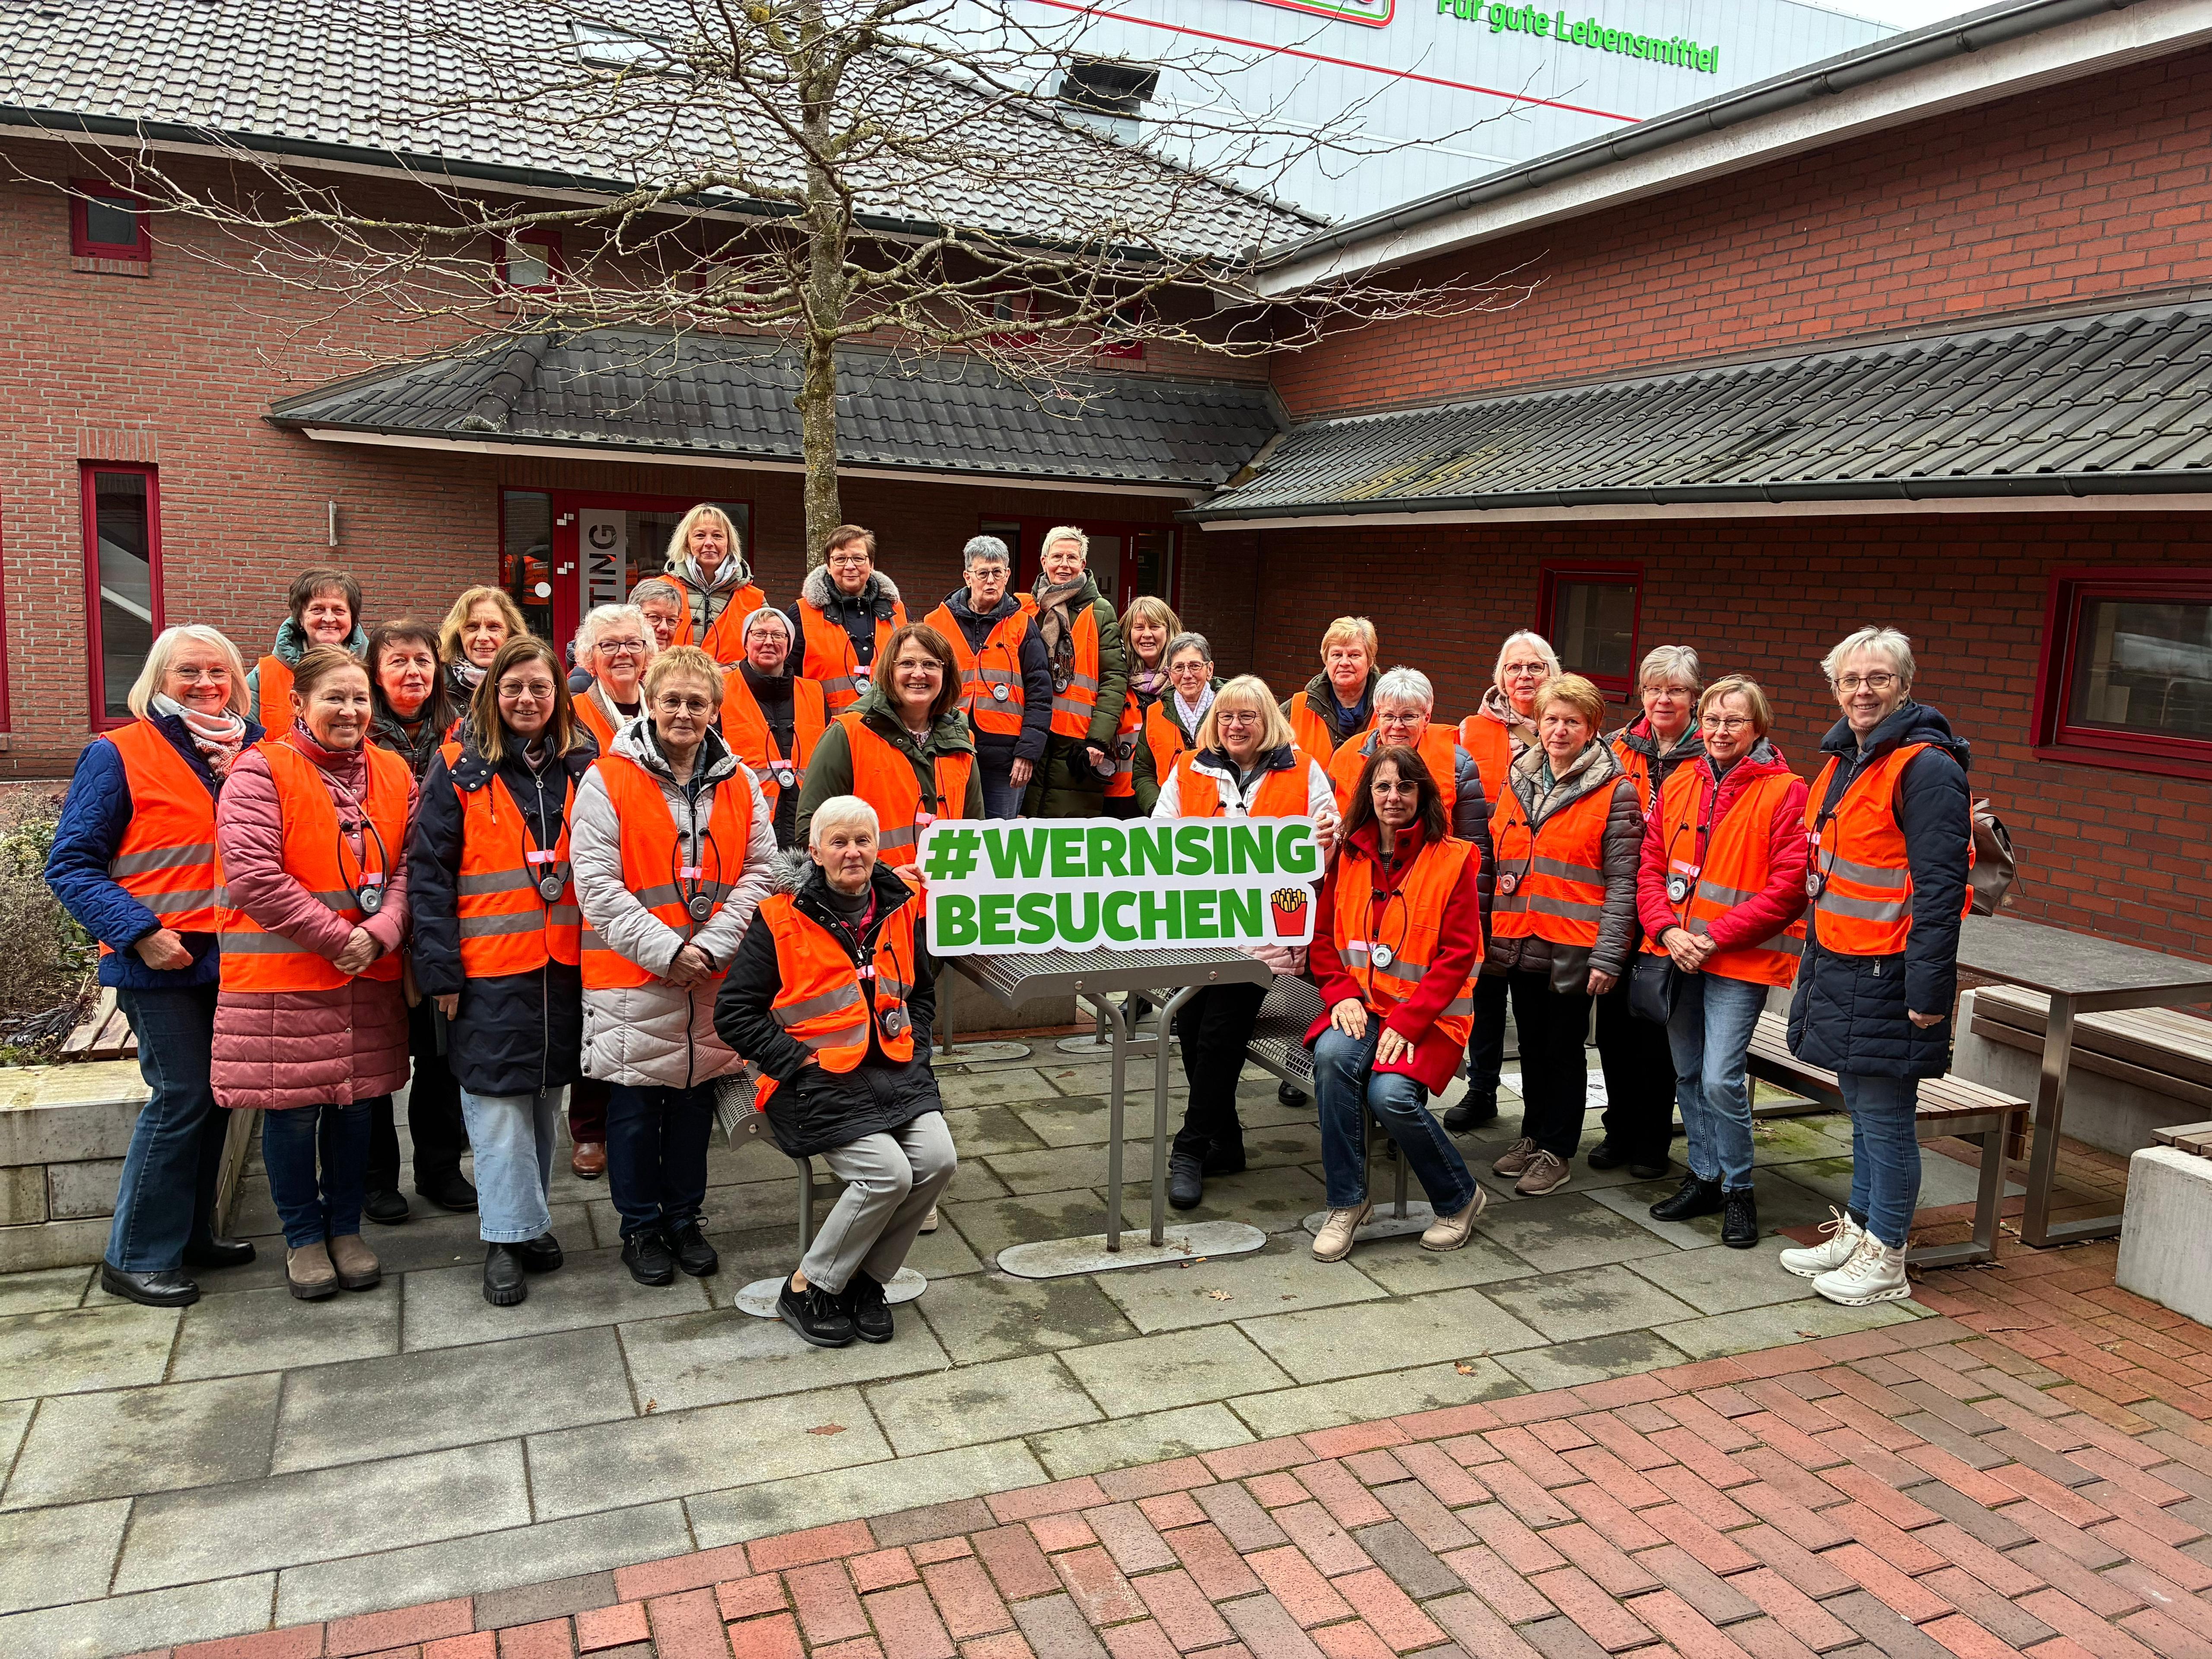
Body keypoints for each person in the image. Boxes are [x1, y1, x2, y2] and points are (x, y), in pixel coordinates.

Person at [47, 626, 262, 1307]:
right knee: (183, 1096)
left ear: (237, 682)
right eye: (188, 672)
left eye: (218, 672)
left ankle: (191, 1236)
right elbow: (72, 865)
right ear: (158, 679)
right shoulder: (119, 752)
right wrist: (139, 933)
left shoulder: (255, 750)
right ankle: (135, 1255)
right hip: (158, 961)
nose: (205, 684)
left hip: (238, 958)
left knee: (219, 1096)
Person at [213, 645, 416, 1300]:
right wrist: (339, 939)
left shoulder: (393, 771)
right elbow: (254, 876)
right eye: (335, 697)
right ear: (299, 703)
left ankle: (346, 1228)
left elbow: (413, 866)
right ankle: (303, 1237)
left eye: (360, 698)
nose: (350, 710)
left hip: (367, 976)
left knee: (357, 1109)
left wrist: (380, 934)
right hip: (286, 981)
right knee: (294, 1113)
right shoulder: (260, 769)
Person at [716, 798, 955, 1348]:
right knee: (888, 1176)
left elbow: (920, 992)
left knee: (939, 1160)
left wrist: (914, 1043)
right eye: (839, 842)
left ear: (877, 847)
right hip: (814, 1082)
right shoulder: (779, 917)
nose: (852, 852)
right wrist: (797, 1062)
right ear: (816, 852)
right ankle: (808, 1287)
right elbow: (734, 1013)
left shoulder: (901, 906)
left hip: (894, 1071)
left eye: (863, 841)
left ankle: (867, 1282)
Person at [572, 645, 775, 1286]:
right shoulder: (607, 778)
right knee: (634, 1114)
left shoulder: (741, 782)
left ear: (715, 709)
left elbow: (762, 871)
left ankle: (685, 1219)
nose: (683, 713)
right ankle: (640, 1228)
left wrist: (710, 948)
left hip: (711, 978)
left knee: (692, 1110)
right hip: (634, 979)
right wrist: (668, 952)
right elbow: (596, 885)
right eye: (671, 700)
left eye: (697, 702)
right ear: (649, 704)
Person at [1782, 628, 1970, 1307]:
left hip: (1890, 972)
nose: (1863, 691)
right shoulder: (1846, 760)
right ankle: (1860, 1230)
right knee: (1862, 1111)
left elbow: (1941, 891)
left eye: (1878, 679)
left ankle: (1887, 1256)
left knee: (1887, 1118)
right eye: (1850, 680)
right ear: (1835, 688)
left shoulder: (1926, 769)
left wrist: (1928, 991)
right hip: (1840, 962)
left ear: (1904, 685)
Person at [410, 637, 595, 1306]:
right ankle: (504, 1240)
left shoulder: (586, 768)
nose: (526, 699)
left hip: (566, 966)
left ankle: (528, 1222)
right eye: (513, 687)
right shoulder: (458, 768)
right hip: (487, 972)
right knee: (495, 1107)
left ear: (559, 696)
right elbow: (428, 875)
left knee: (544, 1100)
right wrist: (441, 972)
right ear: (492, 695)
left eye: (540, 687)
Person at [1151, 676, 1338, 1210]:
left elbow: (1327, 846)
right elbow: (1158, 839)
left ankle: (1189, 1148)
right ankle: (1226, 1141)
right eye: (1227, 716)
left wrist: (1323, 841)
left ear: (1267, 721)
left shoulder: (1304, 770)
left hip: (1265, 943)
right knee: (1190, 1028)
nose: (1235, 726)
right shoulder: (1187, 768)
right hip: (1202, 935)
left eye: (1247, 716)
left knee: (1217, 1033)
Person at [1640, 676, 1808, 1248]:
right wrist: (1666, 930)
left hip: (1738, 961)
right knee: (1688, 1073)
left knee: (1719, 1079)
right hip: (1678, 956)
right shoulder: (1680, 780)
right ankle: (1704, 1177)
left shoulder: (1786, 791)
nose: (1719, 731)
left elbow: (1789, 889)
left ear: (1757, 727)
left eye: (1733, 721)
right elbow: (1649, 866)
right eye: (1711, 719)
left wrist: (1711, 937)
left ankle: (1739, 1190)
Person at [1306, 747, 1487, 1262]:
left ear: (1422, 794)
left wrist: (1408, 1023)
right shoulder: (1347, 853)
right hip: (1361, 1006)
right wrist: (1339, 994)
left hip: (1427, 1017)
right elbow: (1323, 938)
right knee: (1331, 1058)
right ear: (1367, 793)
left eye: (1405, 787)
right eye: (1382, 786)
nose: (1393, 797)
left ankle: (1459, 1198)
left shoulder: (1453, 858)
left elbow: (1458, 955)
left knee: (1390, 1097)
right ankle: (1347, 1203)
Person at [1484, 674, 1641, 1198]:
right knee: (1530, 1046)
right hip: (1519, 935)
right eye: (1550, 719)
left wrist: (1608, 955)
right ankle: (1533, 1133)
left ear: (1592, 728)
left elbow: (1623, 882)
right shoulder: (1519, 776)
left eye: (1572, 721)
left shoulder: (1615, 791)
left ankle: (1557, 1150)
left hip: (1575, 944)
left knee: (1563, 1050)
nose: (1558, 730)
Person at [362, 620, 473, 1224]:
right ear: (376, 672)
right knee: (375, 1056)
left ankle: (439, 1168)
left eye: (423, 661)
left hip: (441, 910)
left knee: (439, 1055)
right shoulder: (358, 729)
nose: (413, 672)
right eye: (398, 661)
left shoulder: (463, 728)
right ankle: (376, 1178)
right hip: (371, 916)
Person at [1589, 645, 1707, 1183]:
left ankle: (1652, 1137)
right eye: (1654, 689)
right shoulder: (1616, 746)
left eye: (1675, 690)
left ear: (1693, 697)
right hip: (1619, 903)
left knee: (1657, 1028)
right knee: (1613, 1026)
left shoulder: (1709, 752)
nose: (1663, 699)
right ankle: (1617, 1128)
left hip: (1675, 910)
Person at [1446, 629, 1560, 1135]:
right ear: (1499, 676)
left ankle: (1541, 1114)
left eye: (1535, 666)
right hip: (1486, 882)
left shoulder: (1567, 724)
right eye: (1514, 667)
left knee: (1537, 1005)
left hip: (1544, 887)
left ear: (1551, 673)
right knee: (1486, 992)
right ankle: (1481, 1090)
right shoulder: (1470, 730)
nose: (1524, 676)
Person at [793, 623, 983, 865]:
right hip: (871, 889)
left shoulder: (962, 742)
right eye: (907, 663)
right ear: (888, 672)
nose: (919, 673)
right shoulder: (847, 734)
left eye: (931, 664)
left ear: (946, 675)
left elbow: (976, 833)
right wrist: (886, 876)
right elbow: (811, 831)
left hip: (944, 888)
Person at [922, 536, 1051, 820]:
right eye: (983, 573)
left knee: (998, 839)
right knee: (946, 831)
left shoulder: (1022, 625)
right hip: (945, 748)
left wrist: (1028, 753)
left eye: (997, 572)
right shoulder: (935, 624)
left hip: (1005, 760)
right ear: (968, 577)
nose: (991, 581)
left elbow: (1040, 694)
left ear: (1007, 575)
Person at [1020, 526, 1129, 819]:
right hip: (1031, 734)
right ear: (1044, 561)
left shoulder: (1100, 611)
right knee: (1025, 827)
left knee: (1068, 832)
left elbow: (1114, 679)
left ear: (1083, 564)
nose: (1064, 565)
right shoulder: (1027, 609)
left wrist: (1098, 740)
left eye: (1072, 558)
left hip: (1078, 743)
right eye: (1057, 557)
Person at [723, 607, 827, 851]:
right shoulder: (722, 691)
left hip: (806, 828)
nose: (769, 642)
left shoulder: (814, 692)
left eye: (778, 635)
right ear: (746, 642)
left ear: (789, 645)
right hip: (747, 827)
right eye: (759, 634)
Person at [793, 525, 906, 714]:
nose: (850, 566)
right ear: (828, 567)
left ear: (871, 565)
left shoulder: (898, 612)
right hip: (827, 727)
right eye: (840, 559)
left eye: (858, 558)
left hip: (890, 725)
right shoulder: (802, 613)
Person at [245, 567, 366, 726]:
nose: (329, 618)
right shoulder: (265, 674)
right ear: (300, 619)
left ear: (353, 618)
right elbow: (244, 733)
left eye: (339, 610)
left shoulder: (377, 669)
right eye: (317, 610)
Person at [1130, 631, 1222, 814]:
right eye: (1179, 668)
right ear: (1170, 675)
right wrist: (1158, 809)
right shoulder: (1155, 713)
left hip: (1220, 817)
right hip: (1169, 818)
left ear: (1210, 670)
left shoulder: (1230, 711)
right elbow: (1143, 772)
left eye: (1195, 666)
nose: (1187, 675)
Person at [661, 504, 766, 664]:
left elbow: (767, 654)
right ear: (686, 542)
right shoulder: (661, 589)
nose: (709, 542)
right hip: (671, 679)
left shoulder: (755, 599)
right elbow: (640, 645)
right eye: (700, 535)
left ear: (729, 543)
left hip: (732, 680)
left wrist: (734, 668)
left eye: (717, 536)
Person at [1107, 596, 1181, 817]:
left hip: (1172, 797)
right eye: (1139, 628)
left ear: (1169, 631)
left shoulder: (1185, 683)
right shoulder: (1114, 679)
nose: (1146, 634)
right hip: (1119, 797)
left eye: (1155, 627)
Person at [1283, 617, 1378, 761]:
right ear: (1326, 661)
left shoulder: (1393, 707)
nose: (1344, 662)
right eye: (1337, 655)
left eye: (1354, 655)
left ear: (1370, 660)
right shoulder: (1296, 708)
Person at [571, 603, 655, 754]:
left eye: (633, 643)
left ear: (646, 653)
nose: (623, 652)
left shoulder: (666, 708)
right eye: (609, 645)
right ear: (590, 656)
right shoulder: (570, 714)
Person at [441, 586, 530, 714]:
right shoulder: (434, 685)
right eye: (472, 627)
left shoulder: (531, 681)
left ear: (511, 633)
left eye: (494, 627)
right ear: (457, 633)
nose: (482, 637)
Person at [632, 576, 687, 656]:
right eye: (654, 617)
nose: (664, 628)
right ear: (632, 617)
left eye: (671, 620)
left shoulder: (684, 665)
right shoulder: (617, 661)